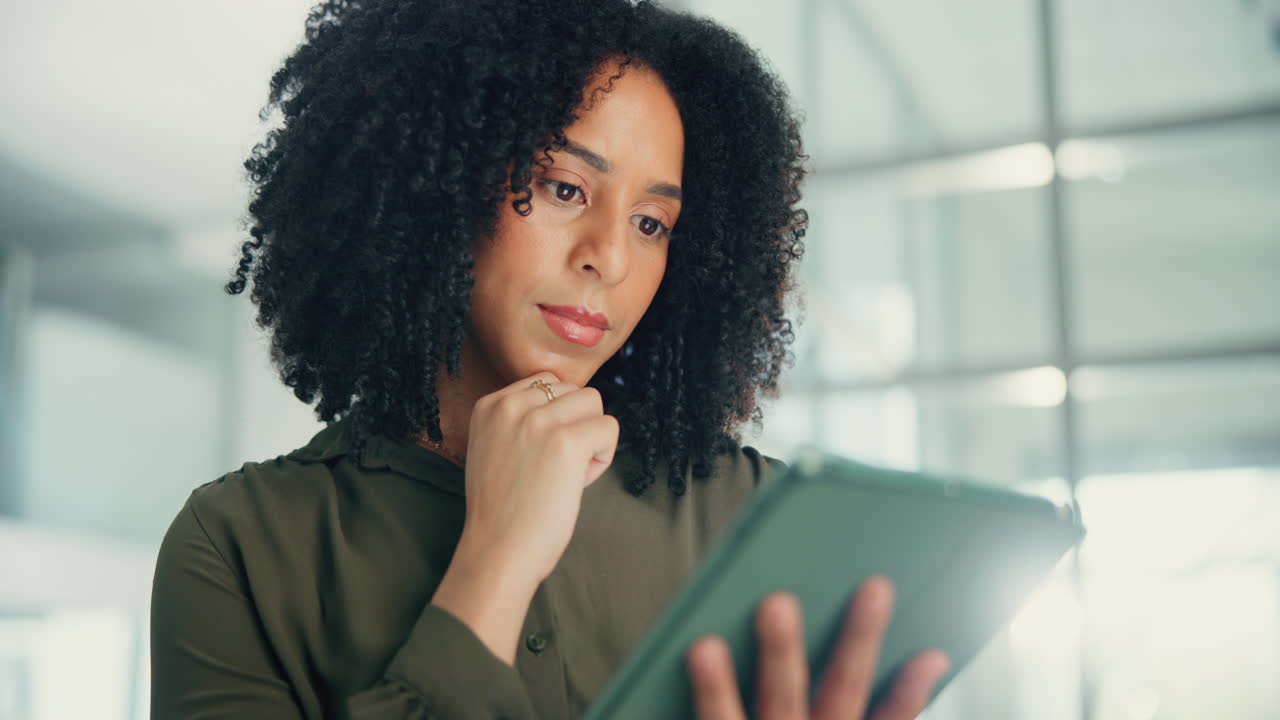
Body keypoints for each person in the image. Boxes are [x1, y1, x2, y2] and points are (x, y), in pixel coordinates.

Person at [149, 0, 950, 718]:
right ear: (436, 183)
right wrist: (498, 555)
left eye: (651, 223)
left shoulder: (758, 524)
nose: (611, 257)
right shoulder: (239, 548)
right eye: (565, 187)